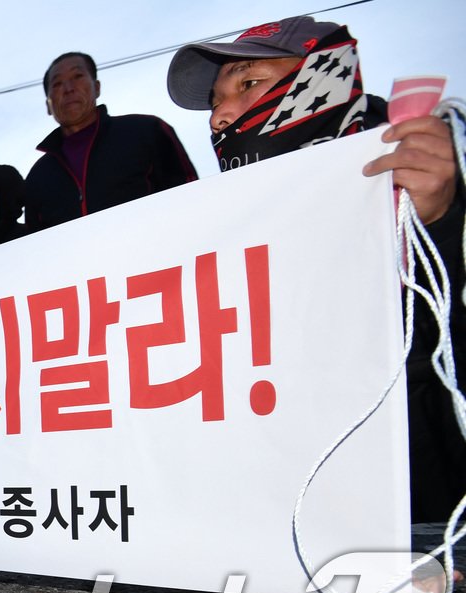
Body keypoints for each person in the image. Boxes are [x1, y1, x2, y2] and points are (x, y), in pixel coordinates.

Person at [165, 16, 465, 523]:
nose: (222, 116)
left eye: (249, 83)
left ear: (323, 74)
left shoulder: (431, 166)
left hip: (429, 517)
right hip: (302, 520)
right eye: (217, 102)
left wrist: (438, 217)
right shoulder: (228, 228)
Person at [25, 52, 198, 233]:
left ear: (97, 87)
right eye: (57, 83)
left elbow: (191, 197)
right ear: (48, 105)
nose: (68, 88)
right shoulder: (38, 176)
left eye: (78, 76)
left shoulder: (146, 131)